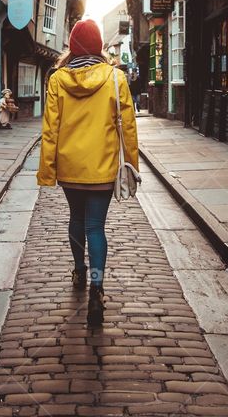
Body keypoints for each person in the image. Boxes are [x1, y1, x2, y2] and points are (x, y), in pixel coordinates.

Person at [37, 19, 139, 326]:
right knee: (96, 227)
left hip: (70, 167)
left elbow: (50, 129)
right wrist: (131, 165)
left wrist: (47, 171)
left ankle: (79, 271)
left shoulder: (57, 80)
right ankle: (97, 288)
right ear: (99, 47)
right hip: (103, 167)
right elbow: (129, 128)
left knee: (76, 220)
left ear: (72, 47)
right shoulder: (116, 78)